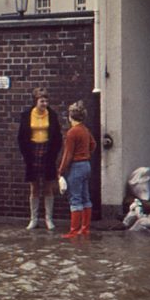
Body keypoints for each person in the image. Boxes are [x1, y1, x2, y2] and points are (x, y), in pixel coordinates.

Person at [17, 87, 63, 230]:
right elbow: (21, 137)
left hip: (48, 153)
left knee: (48, 186)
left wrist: (54, 154)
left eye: (46, 101)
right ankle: (34, 219)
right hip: (32, 153)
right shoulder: (26, 115)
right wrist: (26, 155)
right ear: (35, 101)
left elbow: (58, 137)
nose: (45, 104)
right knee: (34, 186)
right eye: (42, 101)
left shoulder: (52, 115)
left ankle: (48, 219)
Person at [58, 100, 97, 238]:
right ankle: (85, 229)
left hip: (76, 166)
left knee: (75, 198)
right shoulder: (85, 130)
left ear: (70, 116)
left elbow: (67, 154)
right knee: (86, 197)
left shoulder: (72, 133)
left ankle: (74, 231)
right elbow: (93, 144)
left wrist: (61, 170)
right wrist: (86, 154)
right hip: (86, 165)